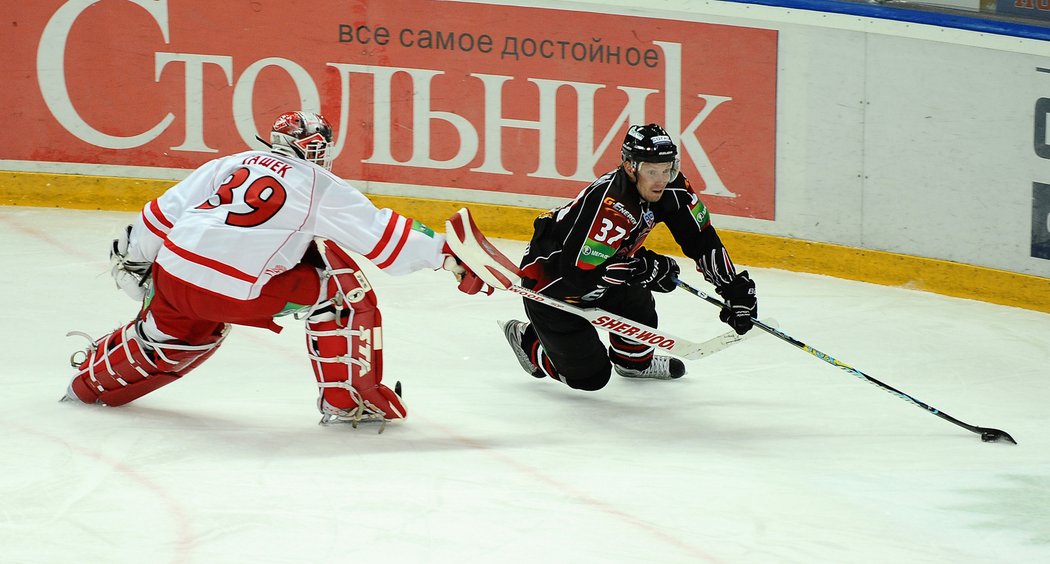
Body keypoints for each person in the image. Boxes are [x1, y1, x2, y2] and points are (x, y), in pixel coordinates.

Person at [64, 110, 492, 428]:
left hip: (172, 274)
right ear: (313, 146)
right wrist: (447, 256)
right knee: (336, 287)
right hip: (233, 293)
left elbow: (162, 215)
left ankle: (85, 384)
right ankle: (345, 403)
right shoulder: (317, 184)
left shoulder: (232, 162)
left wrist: (135, 260)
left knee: (176, 335)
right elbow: (381, 233)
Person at [499, 123, 757, 389]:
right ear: (630, 167)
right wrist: (641, 269)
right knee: (589, 378)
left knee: (640, 308)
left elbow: (700, 239)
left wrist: (733, 288)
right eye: (652, 170)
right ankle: (527, 338)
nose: (661, 180)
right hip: (553, 284)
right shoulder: (613, 205)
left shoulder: (672, 188)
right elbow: (577, 275)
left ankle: (633, 364)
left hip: (599, 268)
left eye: (667, 168)